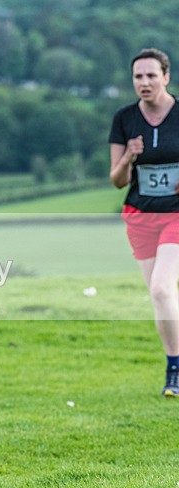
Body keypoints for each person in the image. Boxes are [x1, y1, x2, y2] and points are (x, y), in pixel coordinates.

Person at [110, 48, 179, 396]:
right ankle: (174, 363)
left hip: (176, 216)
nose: (145, 82)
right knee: (161, 298)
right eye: (138, 76)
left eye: (152, 75)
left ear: (166, 77)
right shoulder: (124, 119)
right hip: (140, 217)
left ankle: (175, 372)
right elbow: (117, 180)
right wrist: (129, 157)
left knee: (162, 288)